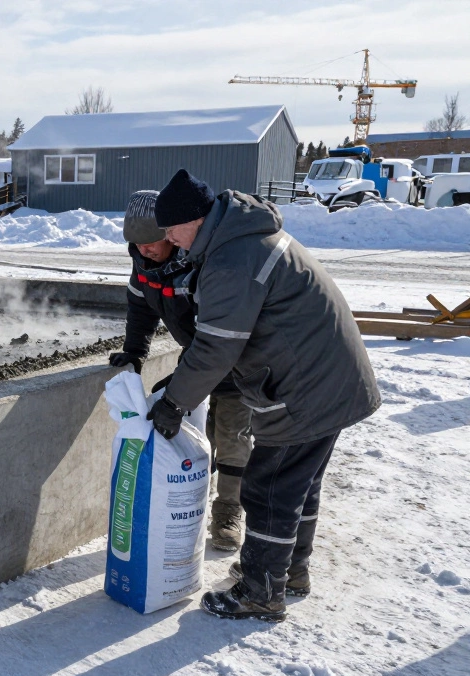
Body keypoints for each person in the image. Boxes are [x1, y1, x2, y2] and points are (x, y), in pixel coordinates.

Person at [145, 169, 380, 622]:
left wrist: (175, 402)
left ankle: (260, 591)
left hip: (307, 389)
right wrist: (179, 383)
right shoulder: (241, 238)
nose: (169, 239)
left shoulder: (234, 258)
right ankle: (288, 572)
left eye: (172, 228)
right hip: (329, 381)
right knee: (298, 485)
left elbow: (216, 345)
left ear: (195, 219)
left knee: (270, 488)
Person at [108, 190, 253, 552]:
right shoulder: (143, 262)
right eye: (135, 243)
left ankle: (228, 510)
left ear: (172, 233)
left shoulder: (201, 262)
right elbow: (140, 309)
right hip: (198, 357)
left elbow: (217, 337)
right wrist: (134, 353)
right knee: (197, 435)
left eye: (151, 242)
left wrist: (181, 382)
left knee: (232, 435)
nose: (144, 250)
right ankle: (191, 501)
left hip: (237, 359)